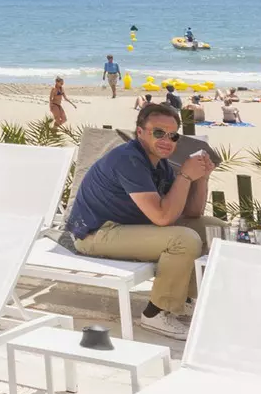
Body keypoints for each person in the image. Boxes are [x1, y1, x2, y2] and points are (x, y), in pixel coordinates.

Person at [62, 102, 213, 339]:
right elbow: (163, 217)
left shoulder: (160, 164)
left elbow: (192, 213)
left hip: (127, 228)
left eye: (173, 135)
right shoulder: (128, 160)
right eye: (159, 132)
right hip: (95, 234)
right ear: (140, 132)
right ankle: (156, 313)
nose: (167, 140)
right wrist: (185, 175)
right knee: (183, 240)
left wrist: (201, 178)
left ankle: (184, 299)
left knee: (212, 229)